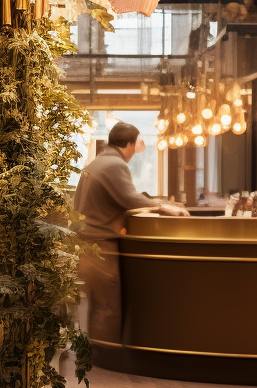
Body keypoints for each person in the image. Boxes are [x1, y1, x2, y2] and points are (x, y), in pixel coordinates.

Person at [73, 122, 185, 344]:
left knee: (98, 304)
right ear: (130, 144)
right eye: (138, 142)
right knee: (108, 306)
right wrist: (162, 206)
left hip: (87, 242)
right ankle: (107, 359)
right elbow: (129, 198)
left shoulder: (98, 161)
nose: (139, 147)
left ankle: (97, 355)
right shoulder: (114, 164)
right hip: (100, 244)